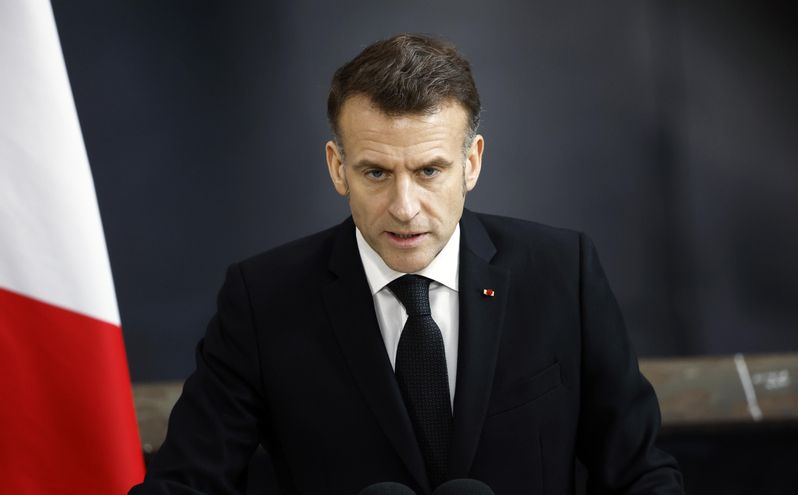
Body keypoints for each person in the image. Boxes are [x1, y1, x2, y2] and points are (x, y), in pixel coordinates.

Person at [130, 33, 684, 495]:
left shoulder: (565, 274)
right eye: (376, 173)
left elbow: (640, 474)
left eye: (428, 171)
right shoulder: (262, 300)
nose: (404, 207)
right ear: (337, 167)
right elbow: (186, 485)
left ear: (471, 162)